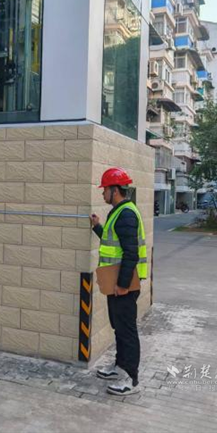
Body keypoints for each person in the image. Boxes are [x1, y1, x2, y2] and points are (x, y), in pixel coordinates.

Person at [90, 167, 147, 396]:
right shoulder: (119, 212)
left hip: (124, 285)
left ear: (115, 190)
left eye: (105, 189)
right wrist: (97, 226)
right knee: (119, 328)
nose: (102, 193)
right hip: (116, 283)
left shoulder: (126, 214)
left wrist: (122, 285)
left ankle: (131, 379)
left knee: (127, 330)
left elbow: (131, 253)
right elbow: (112, 241)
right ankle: (119, 367)